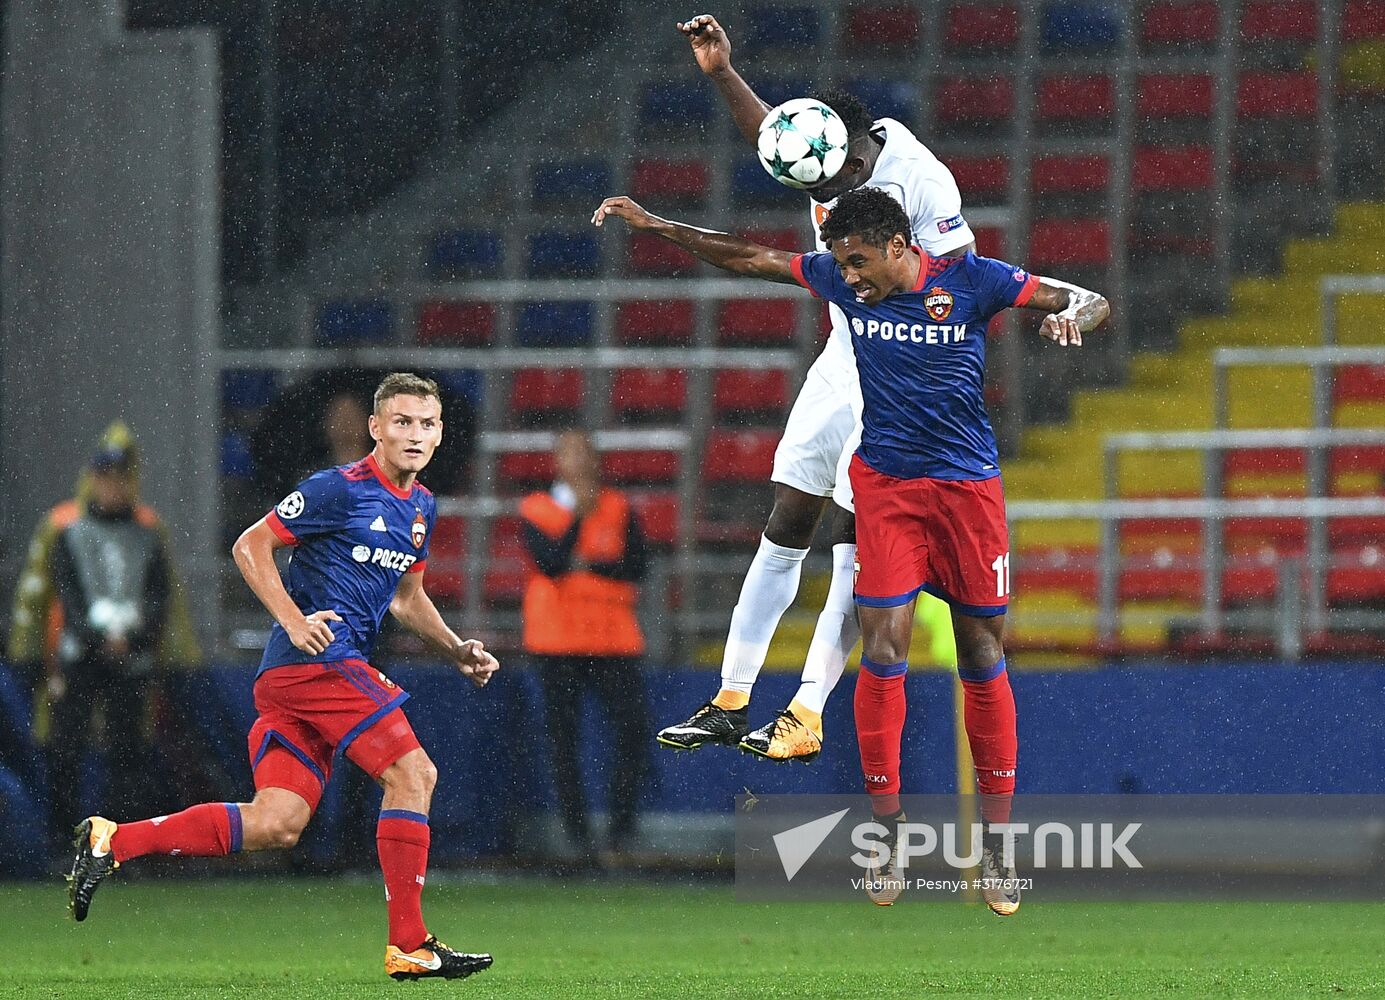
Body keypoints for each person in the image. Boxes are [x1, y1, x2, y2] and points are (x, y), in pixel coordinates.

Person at [591, 186, 1109, 914]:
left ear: (899, 246)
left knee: (982, 658)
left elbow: (1084, 299)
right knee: (884, 649)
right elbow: (750, 256)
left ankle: (996, 847)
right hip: (887, 491)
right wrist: (659, 224)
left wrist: (1073, 317)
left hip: (966, 496)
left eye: (860, 260)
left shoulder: (976, 281)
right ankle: (887, 833)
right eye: (842, 262)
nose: (850, 277)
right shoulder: (839, 277)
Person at [67, 373, 500, 981]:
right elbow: (250, 546)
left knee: (276, 822)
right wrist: (294, 621)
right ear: (375, 429)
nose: (415, 434)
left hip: (302, 678)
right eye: (401, 421)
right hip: (316, 662)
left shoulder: (420, 507)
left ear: (439, 435)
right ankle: (409, 942)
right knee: (414, 774)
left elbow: (407, 598)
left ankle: (113, 842)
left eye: (426, 424)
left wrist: (456, 649)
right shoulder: (337, 489)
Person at [657, 13, 976, 763]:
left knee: (850, 536)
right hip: (842, 354)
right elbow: (773, 136)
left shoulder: (924, 182)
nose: (824, 199)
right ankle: (730, 700)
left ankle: (805, 710)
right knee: (787, 516)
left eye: (832, 184)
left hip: (900, 368)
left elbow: (958, 287)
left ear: (856, 155)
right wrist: (721, 73)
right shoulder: (819, 149)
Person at [7, 422, 202, 851]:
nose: (112, 487)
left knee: (130, 751)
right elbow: (60, 593)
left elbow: (160, 595)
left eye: (119, 478)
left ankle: (124, 844)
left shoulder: (148, 530)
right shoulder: (66, 528)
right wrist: (59, 648)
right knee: (65, 750)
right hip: (79, 655)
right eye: (105, 478)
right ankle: (62, 843)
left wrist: (139, 641)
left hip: (132, 657)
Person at [518, 430, 651, 862]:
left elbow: (635, 568)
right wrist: (580, 519)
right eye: (568, 454)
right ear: (556, 461)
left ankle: (619, 835)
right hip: (556, 641)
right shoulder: (536, 508)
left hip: (614, 639)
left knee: (630, 736)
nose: (577, 463)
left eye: (583, 454)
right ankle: (577, 839)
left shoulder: (620, 507)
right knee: (563, 742)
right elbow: (552, 563)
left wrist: (585, 565)